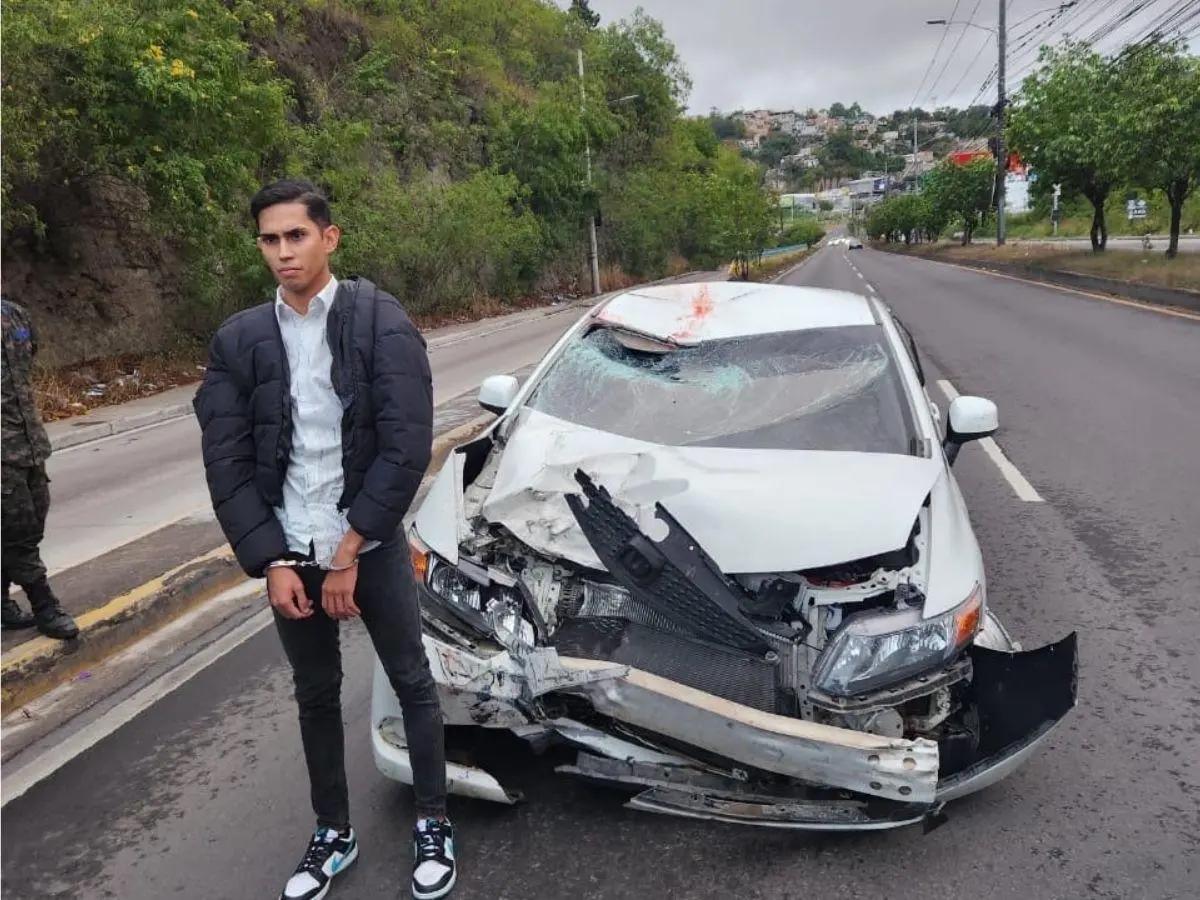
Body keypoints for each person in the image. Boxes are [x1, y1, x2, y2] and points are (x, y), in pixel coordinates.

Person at [193, 180, 455, 900]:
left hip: (364, 547)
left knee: (410, 680)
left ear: (329, 238)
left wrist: (351, 551)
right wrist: (272, 560)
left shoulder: (382, 323)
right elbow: (228, 460)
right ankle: (332, 832)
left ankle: (432, 820)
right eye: (270, 240)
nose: (283, 252)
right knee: (315, 695)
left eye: (296, 236)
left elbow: (406, 447)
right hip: (289, 553)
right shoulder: (239, 340)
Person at [1, 296, 79, 640]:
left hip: (30, 442)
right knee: (19, 531)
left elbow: (29, 358)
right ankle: (45, 606)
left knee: (31, 523)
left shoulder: (15, 313)